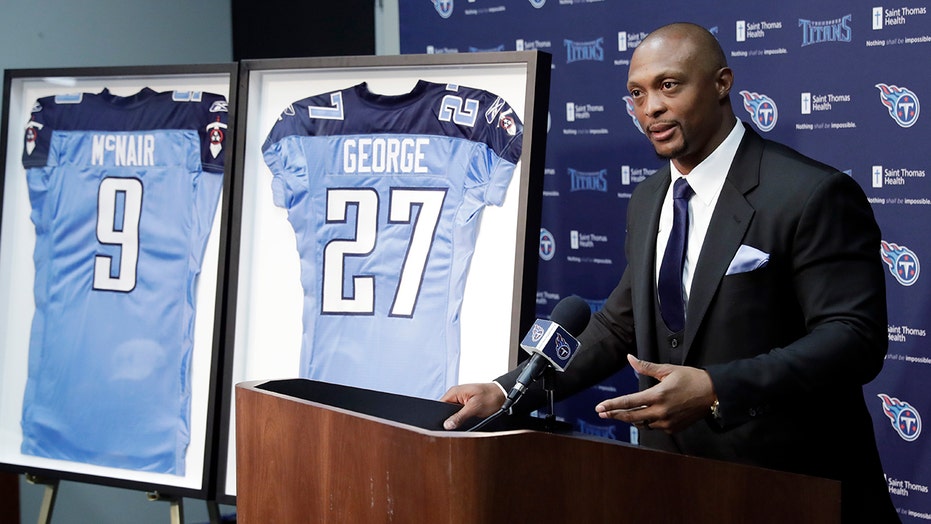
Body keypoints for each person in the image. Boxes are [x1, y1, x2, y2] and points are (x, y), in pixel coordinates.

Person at [441, 22, 899, 522]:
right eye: (636, 94)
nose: (649, 108)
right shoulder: (648, 198)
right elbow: (619, 325)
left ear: (722, 83)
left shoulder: (810, 193)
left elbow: (853, 339)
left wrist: (716, 388)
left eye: (669, 85)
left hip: (791, 487)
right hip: (671, 485)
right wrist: (510, 391)